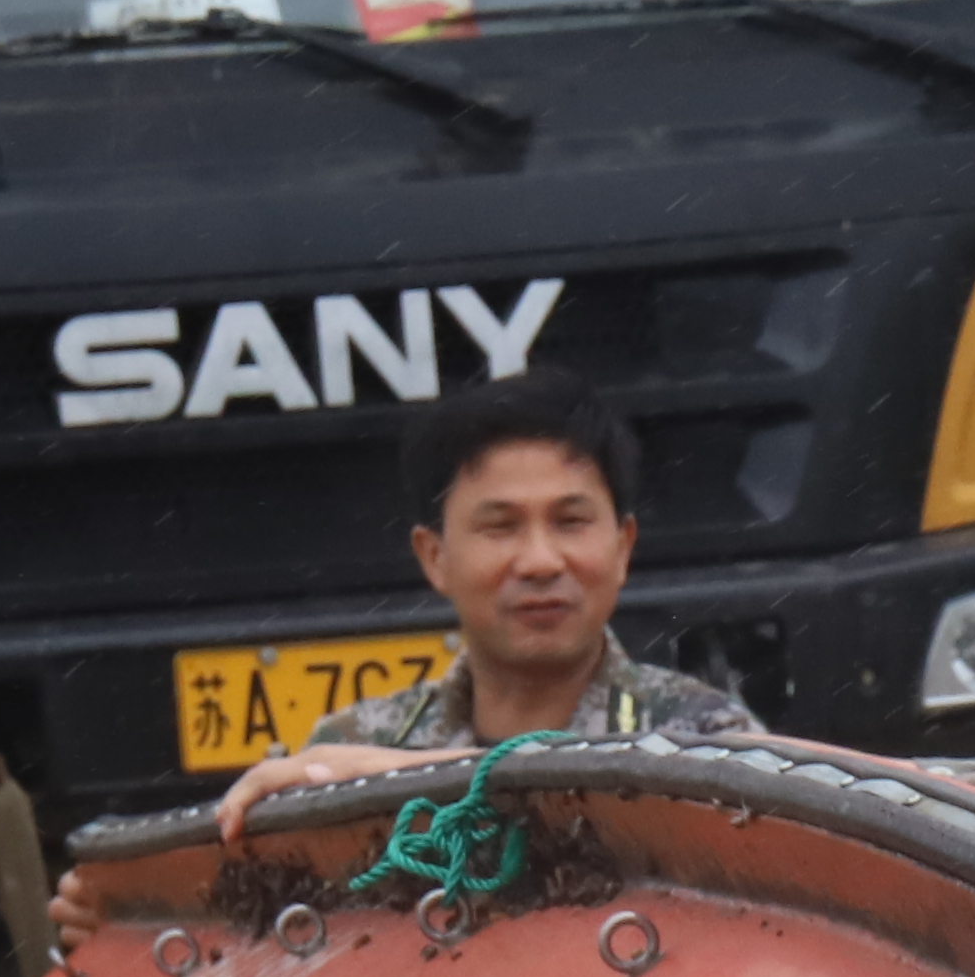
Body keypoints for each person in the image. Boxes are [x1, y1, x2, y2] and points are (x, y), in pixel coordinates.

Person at [45, 374, 746, 945]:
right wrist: (137, 919)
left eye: (570, 522)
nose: (539, 561)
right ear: (434, 557)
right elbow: (275, 950)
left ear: (623, 547)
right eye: (499, 526)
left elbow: (719, 887)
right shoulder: (350, 744)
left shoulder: (702, 735)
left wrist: (404, 784)